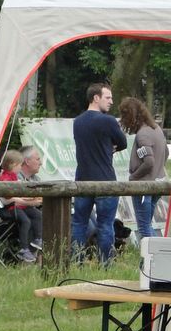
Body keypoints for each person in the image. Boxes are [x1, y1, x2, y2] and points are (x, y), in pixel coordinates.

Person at [72, 82, 128, 265]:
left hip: (82, 180)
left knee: (79, 224)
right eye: (108, 97)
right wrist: (111, 148)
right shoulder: (108, 121)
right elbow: (123, 143)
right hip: (105, 180)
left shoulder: (77, 122)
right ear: (96, 98)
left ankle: (77, 262)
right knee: (105, 225)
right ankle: (106, 265)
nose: (112, 101)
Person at [119, 97, 169, 242]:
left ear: (131, 116)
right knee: (147, 225)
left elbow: (149, 162)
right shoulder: (156, 129)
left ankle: (156, 260)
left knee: (144, 228)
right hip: (157, 185)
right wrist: (158, 171)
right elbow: (166, 152)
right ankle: (148, 262)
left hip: (143, 188)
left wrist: (133, 178)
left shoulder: (142, 135)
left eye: (124, 115)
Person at [0, 149, 43, 263]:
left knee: (37, 214)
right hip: (12, 208)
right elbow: (9, 197)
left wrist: (29, 199)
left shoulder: (14, 176)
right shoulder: (5, 178)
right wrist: (29, 201)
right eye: (19, 165)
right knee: (26, 221)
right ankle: (24, 248)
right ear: (13, 165)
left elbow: (19, 194)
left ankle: (38, 239)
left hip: (20, 205)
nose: (21, 167)